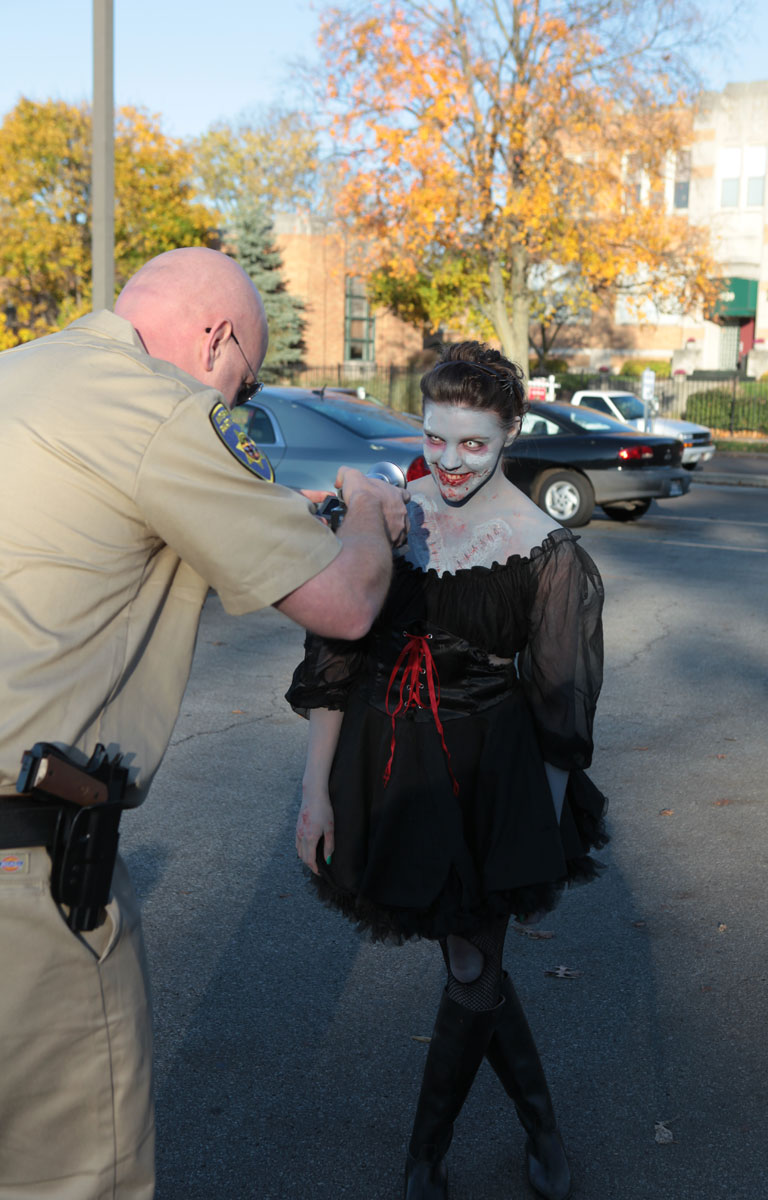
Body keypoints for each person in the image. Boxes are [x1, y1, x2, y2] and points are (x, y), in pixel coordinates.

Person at [0, 246, 407, 1200]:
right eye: (245, 381)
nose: (236, 402)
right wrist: (367, 517)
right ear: (217, 336)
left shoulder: (22, 373)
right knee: (68, 1178)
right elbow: (344, 603)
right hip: (21, 873)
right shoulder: (160, 407)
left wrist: (284, 508)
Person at [289, 341, 607, 1200]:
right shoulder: (383, 521)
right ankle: (540, 1122)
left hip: (491, 776)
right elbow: (332, 663)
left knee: (471, 966)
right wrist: (314, 790)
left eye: (474, 442)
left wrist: (531, 835)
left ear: (510, 432)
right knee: (471, 966)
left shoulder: (548, 551)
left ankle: (425, 1157)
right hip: (385, 765)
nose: (453, 461)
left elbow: (559, 704)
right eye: (437, 440)